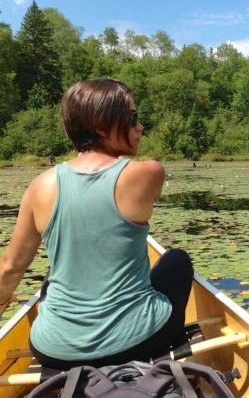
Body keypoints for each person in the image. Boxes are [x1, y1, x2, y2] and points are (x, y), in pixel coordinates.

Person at [0, 78, 193, 369]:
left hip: (53, 349)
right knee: (177, 260)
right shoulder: (148, 173)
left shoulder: (39, 186)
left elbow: (10, 268)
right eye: (132, 118)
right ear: (102, 128)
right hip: (138, 340)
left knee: (51, 281)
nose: (140, 127)